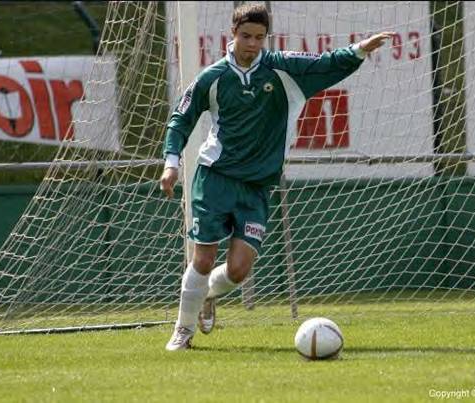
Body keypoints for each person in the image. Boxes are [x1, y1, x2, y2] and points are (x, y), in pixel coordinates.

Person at [160, 3, 394, 351]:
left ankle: (206, 296)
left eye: (259, 37)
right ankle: (183, 330)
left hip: (258, 185)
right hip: (215, 177)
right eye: (245, 36)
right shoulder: (213, 77)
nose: (252, 43)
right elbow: (181, 119)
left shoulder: (281, 69)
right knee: (204, 259)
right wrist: (171, 163)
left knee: (239, 271)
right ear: (232, 34)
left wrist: (360, 50)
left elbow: (326, 64)